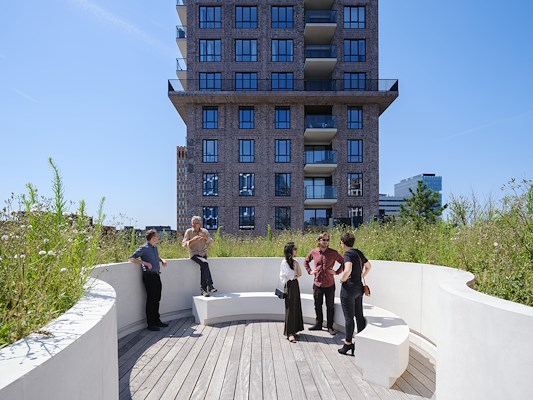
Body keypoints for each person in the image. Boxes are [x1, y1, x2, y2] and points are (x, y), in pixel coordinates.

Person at [338, 231, 372, 355]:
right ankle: (361, 343)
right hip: (359, 288)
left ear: (343, 243)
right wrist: (361, 275)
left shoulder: (348, 254)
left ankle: (348, 344)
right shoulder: (359, 253)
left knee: (349, 318)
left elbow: (348, 270)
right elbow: (369, 266)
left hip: (349, 289)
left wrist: (342, 279)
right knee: (359, 316)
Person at [304, 232, 345, 335]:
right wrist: (310, 271)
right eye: (324, 240)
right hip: (317, 284)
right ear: (319, 241)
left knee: (330, 306)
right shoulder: (314, 252)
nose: (326, 242)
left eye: (327, 240)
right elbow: (306, 261)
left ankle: (330, 327)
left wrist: (336, 272)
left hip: (329, 284)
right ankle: (318, 324)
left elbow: (344, 262)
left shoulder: (333, 253)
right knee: (317, 305)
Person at [128, 229, 168, 331]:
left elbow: (156, 257)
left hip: (156, 275)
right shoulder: (144, 248)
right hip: (149, 276)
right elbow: (131, 258)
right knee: (151, 299)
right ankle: (151, 324)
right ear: (153, 238)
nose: (158, 237)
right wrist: (145, 263)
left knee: (157, 298)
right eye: (157, 236)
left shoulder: (155, 247)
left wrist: (162, 260)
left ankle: (157, 320)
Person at [182, 215, 217, 297]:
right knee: (205, 263)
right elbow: (183, 244)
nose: (193, 225)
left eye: (195, 223)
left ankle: (204, 290)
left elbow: (212, 243)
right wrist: (193, 240)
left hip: (203, 254)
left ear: (200, 224)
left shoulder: (204, 231)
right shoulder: (189, 232)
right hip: (194, 254)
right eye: (192, 223)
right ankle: (210, 285)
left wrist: (206, 238)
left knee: (204, 267)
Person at [279, 242, 304, 343]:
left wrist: (297, 264)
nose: (296, 251)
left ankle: (294, 331)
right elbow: (292, 276)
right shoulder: (284, 262)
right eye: (295, 249)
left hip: (295, 285)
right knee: (290, 308)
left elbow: (300, 274)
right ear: (290, 251)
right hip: (289, 286)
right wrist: (295, 275)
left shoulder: (295, 261)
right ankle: (289, 333)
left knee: (296, 307)